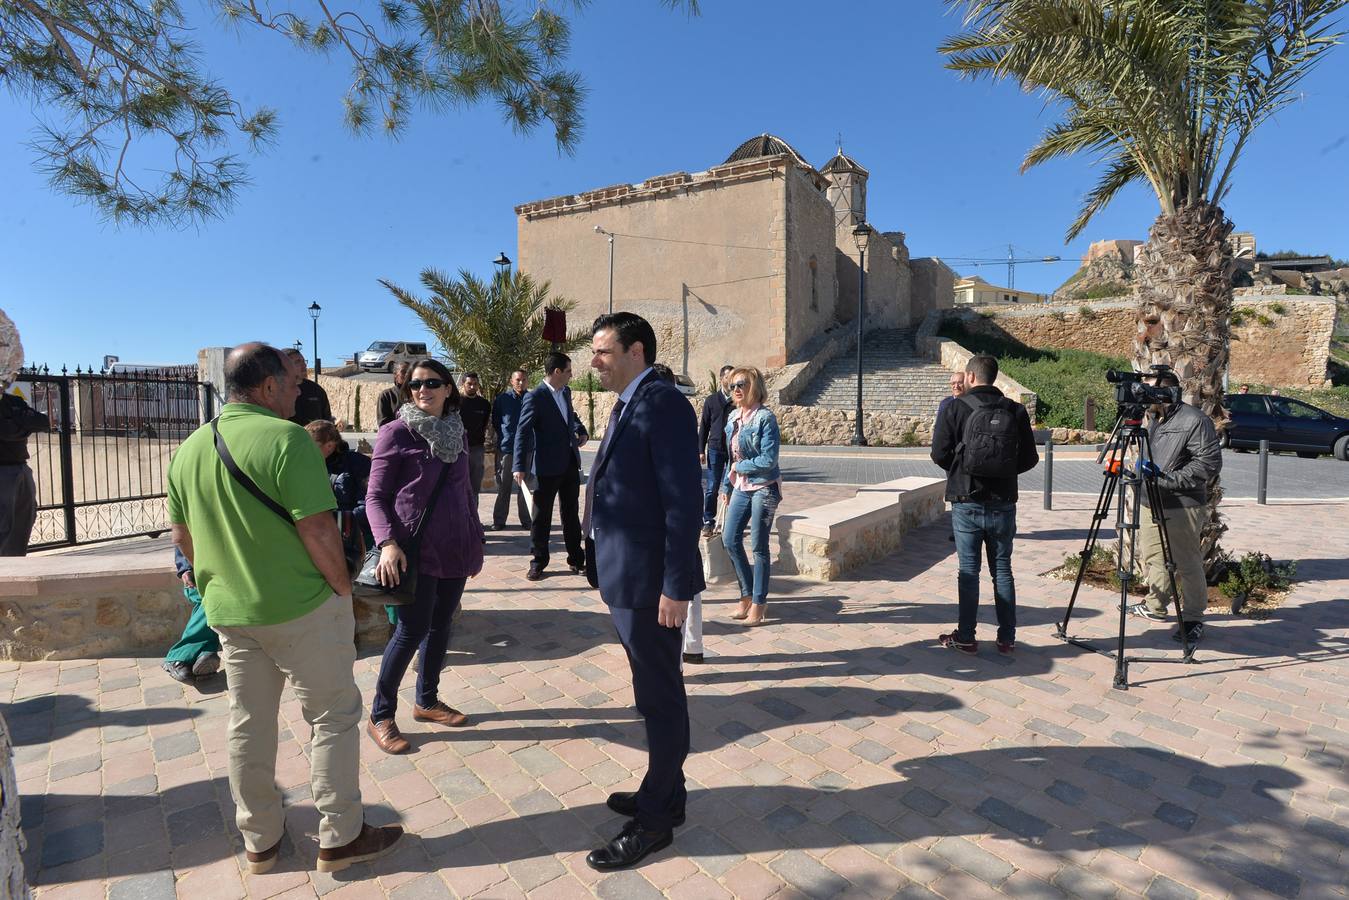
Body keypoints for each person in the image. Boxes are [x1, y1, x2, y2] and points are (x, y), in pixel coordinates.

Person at [167, 342, 403, 874]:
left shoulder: (188, 449)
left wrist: (220, 583)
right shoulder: (287, 439)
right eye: (293, 383)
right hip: (301, 608)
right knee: (333, 718)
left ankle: (260, 842)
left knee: (248, 725)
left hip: (230, 612)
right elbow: (318, 529)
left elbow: (183, 538)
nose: (301, 391)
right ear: (268, 386)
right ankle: (340, 836)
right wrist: (343, 588)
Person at [583, 312, 702, 871]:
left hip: (652, 581)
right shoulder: (632, 402)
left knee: (660, 695)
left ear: (636, 350)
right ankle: (666, 793)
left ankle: (655, 822)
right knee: (651, 691)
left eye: (603, 351)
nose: (594, 361)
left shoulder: (662, 403)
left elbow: (683, 502)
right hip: (626, 574)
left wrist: (676, 586)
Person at [365, 358, 484, 754]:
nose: (423, 390)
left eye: (433, 382)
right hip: (413, 552)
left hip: (455, 547)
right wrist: (388, 544)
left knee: (442, 625)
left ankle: (427, 701)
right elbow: (375, 498)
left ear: (448, 388)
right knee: (411, 631)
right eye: (416, 384)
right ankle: (381, 714)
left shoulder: (458, 431)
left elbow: (465, 491)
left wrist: (475, 535)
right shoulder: (396, 433)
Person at [930, 354, 1039, 655]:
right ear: (994, 377)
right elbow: (1030, 458)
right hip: (1003, 501)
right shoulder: (1015, 411)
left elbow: (939, 452)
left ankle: (966, 637)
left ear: (970, 377)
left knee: (969, 570)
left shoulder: (954, 407)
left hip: (966, 501)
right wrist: (1001, 470)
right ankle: (1007, 638)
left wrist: (964, 467)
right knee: (1002, 570)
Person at [1126, 369, 1222, 646]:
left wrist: (1167, 481)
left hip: (1182, 502)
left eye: (1146, 392)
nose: (1141, 397)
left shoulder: (1194, 420)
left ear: (1163, 392)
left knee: (1187, 563)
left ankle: (1192, 619)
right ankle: (1155, 606)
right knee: (1155, 557)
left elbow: (1208, 464)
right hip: (1150, 498)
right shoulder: (1155, 418)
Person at [513, 353, 588, 581]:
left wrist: (581, 429)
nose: (571, 374)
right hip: (546, 467)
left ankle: (576, 559)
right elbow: (522, 431)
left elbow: (569, 417)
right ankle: (538, 561)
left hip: (569, 463)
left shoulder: (565, 392)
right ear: (557, 372)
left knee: (571, 514)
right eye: (568, 370)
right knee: (541, 517)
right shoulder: (535, 397)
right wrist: (519, 466)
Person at [719, 366, 782, 627]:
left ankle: (759, 602)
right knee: (729, 539)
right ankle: (745, 595)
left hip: (764, 486)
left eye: (741, 384)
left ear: (754, 387)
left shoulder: (765, 418)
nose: (736, 389)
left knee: (758, 546)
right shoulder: (733, 417)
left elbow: (769, 459)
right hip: (741, 487)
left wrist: (739, 469)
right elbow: (731, 457)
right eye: (732, 385)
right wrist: (726, 485)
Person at [653, 364, 705, 665]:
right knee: (689, 577)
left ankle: (684, 655)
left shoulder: (667, 414)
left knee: (682, 579)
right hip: (681, 514)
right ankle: (693, 647)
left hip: (672, 517)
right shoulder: (681, 410)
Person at [306, 419, 373, 552]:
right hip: (322, 537)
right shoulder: (309, 466)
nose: (306, 451)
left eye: (312, 446)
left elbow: (369, 504)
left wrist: (338, 521)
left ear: (330, 446)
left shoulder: (357, 463)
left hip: (356, 538)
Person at [160, 549, 222, 684]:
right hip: (201, 574)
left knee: (217, 599)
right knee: (212, 601)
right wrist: (185, 568)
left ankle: (204, 653)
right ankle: (178, 656)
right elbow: (182, 533)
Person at [0, 388, 48, 556]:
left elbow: (43, 422)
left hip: (21, 468)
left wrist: (13, 421)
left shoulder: (14, 401)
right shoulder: (16, 407)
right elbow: (6, 432)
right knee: (3, 523)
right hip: (2, 473)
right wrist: (23, 424)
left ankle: (15, 565)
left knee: (26, 517)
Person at [697, 365, 735, 538]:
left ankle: (731, 521)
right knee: (712, 487)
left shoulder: (738, 400)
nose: (732, 380)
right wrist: (701, 450)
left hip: (734, 451)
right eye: (729, 377)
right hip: (714, 449)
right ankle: (708, 521)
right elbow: (704, 425)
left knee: (732, 486)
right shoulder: (711, 400)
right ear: (722, 379)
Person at [491, 369, 532, 530]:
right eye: (517, 380)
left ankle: (527, 520)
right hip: (507, 448)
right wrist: (505, 435)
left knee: (525, 486)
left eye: (523, 380)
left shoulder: (532, 398)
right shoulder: (502, 399)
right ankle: (499, 521)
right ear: (511, 381)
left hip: (528, 448)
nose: (520, 383)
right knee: (504, 486)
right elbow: (496, 420)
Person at [458, 372, 492, 529]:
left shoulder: (484, 404)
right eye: (469, 384)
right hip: (457, 450)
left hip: (477, 449)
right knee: (457, 486)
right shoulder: (454, 403)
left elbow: (485, 425)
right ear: (463, 384)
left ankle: (473, 521)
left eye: (475, 384)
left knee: (474, 488)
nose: (472, 387)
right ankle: (459, 522)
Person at [285, 348, 333, 426]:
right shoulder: (276, 391)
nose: (304, 365)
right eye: (297, 362)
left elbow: (327, 420)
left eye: (304, 361)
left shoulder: (316, 390)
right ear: (284, 366)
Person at [377, 362, 411, 428]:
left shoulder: (417, 393)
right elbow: (383, 423)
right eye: (403, 372)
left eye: (409, 372)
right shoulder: (386, 395)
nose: (407, 375)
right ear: (396, 375)